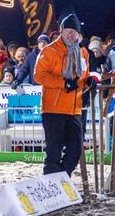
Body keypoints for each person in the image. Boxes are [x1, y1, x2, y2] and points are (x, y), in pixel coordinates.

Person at [34, 14, 95, 176]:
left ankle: (61, 178)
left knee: (76, 149)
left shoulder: (83, 52)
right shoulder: (49, 50)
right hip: (53, 109)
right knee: (53, 152)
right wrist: (63, 83)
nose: (70, 34)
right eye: (66, 31)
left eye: (73, 31)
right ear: (61, 32)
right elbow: (38, 75)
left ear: (78, 34)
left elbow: (83, 75)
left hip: (74, 109)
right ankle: (52, 184)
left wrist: (89, 81)